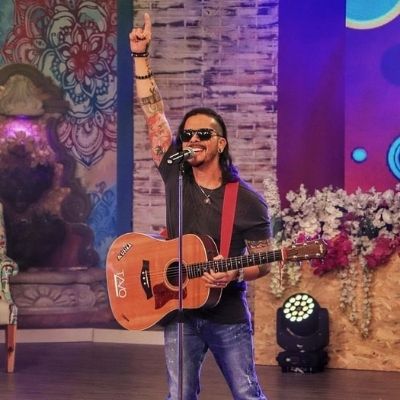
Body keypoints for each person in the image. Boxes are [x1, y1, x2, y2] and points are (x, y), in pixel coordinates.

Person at [130, 13, 271, 400]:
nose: (192, 139)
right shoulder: (175, 175)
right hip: (179, 313)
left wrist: (234, 273)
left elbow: (263, 262)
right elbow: (154, 115)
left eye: (203, 134)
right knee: (179, 395)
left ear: (220, 143)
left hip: (227, 315)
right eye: (187, 134)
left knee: (247, 393)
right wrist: (140, 56)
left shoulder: (247, 202)